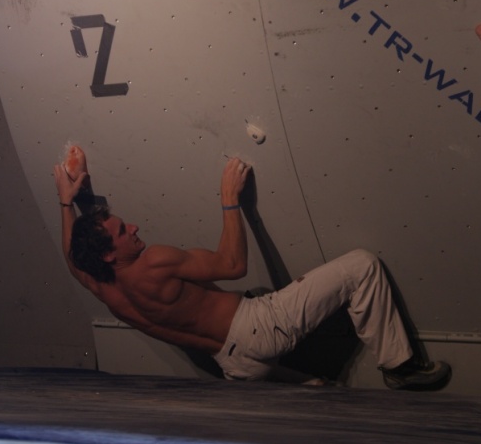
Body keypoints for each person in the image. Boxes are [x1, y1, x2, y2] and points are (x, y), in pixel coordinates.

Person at [54, 146, 450, 390]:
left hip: (235, 366)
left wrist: (65, 202)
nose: (134, 228)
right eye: (123, 231)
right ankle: (400, 368)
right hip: (259, 328)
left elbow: (73, 258)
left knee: (321, 394)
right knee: (362, 265)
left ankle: (318, 388)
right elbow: (233, 265)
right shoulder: (154, 261)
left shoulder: (104, 288)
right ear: (108, 255)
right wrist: (229, 198)